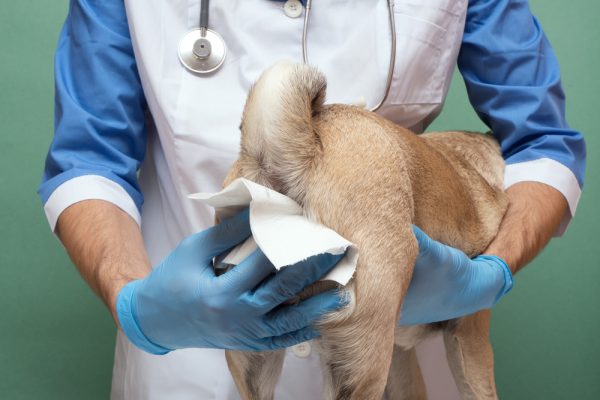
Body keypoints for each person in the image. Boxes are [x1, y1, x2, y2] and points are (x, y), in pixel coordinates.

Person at [39, 0, 585, 399]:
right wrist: (141, 305)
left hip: (395, 342)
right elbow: (89, 163)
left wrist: (493, 269)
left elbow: (543, 145)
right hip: (196, 361)